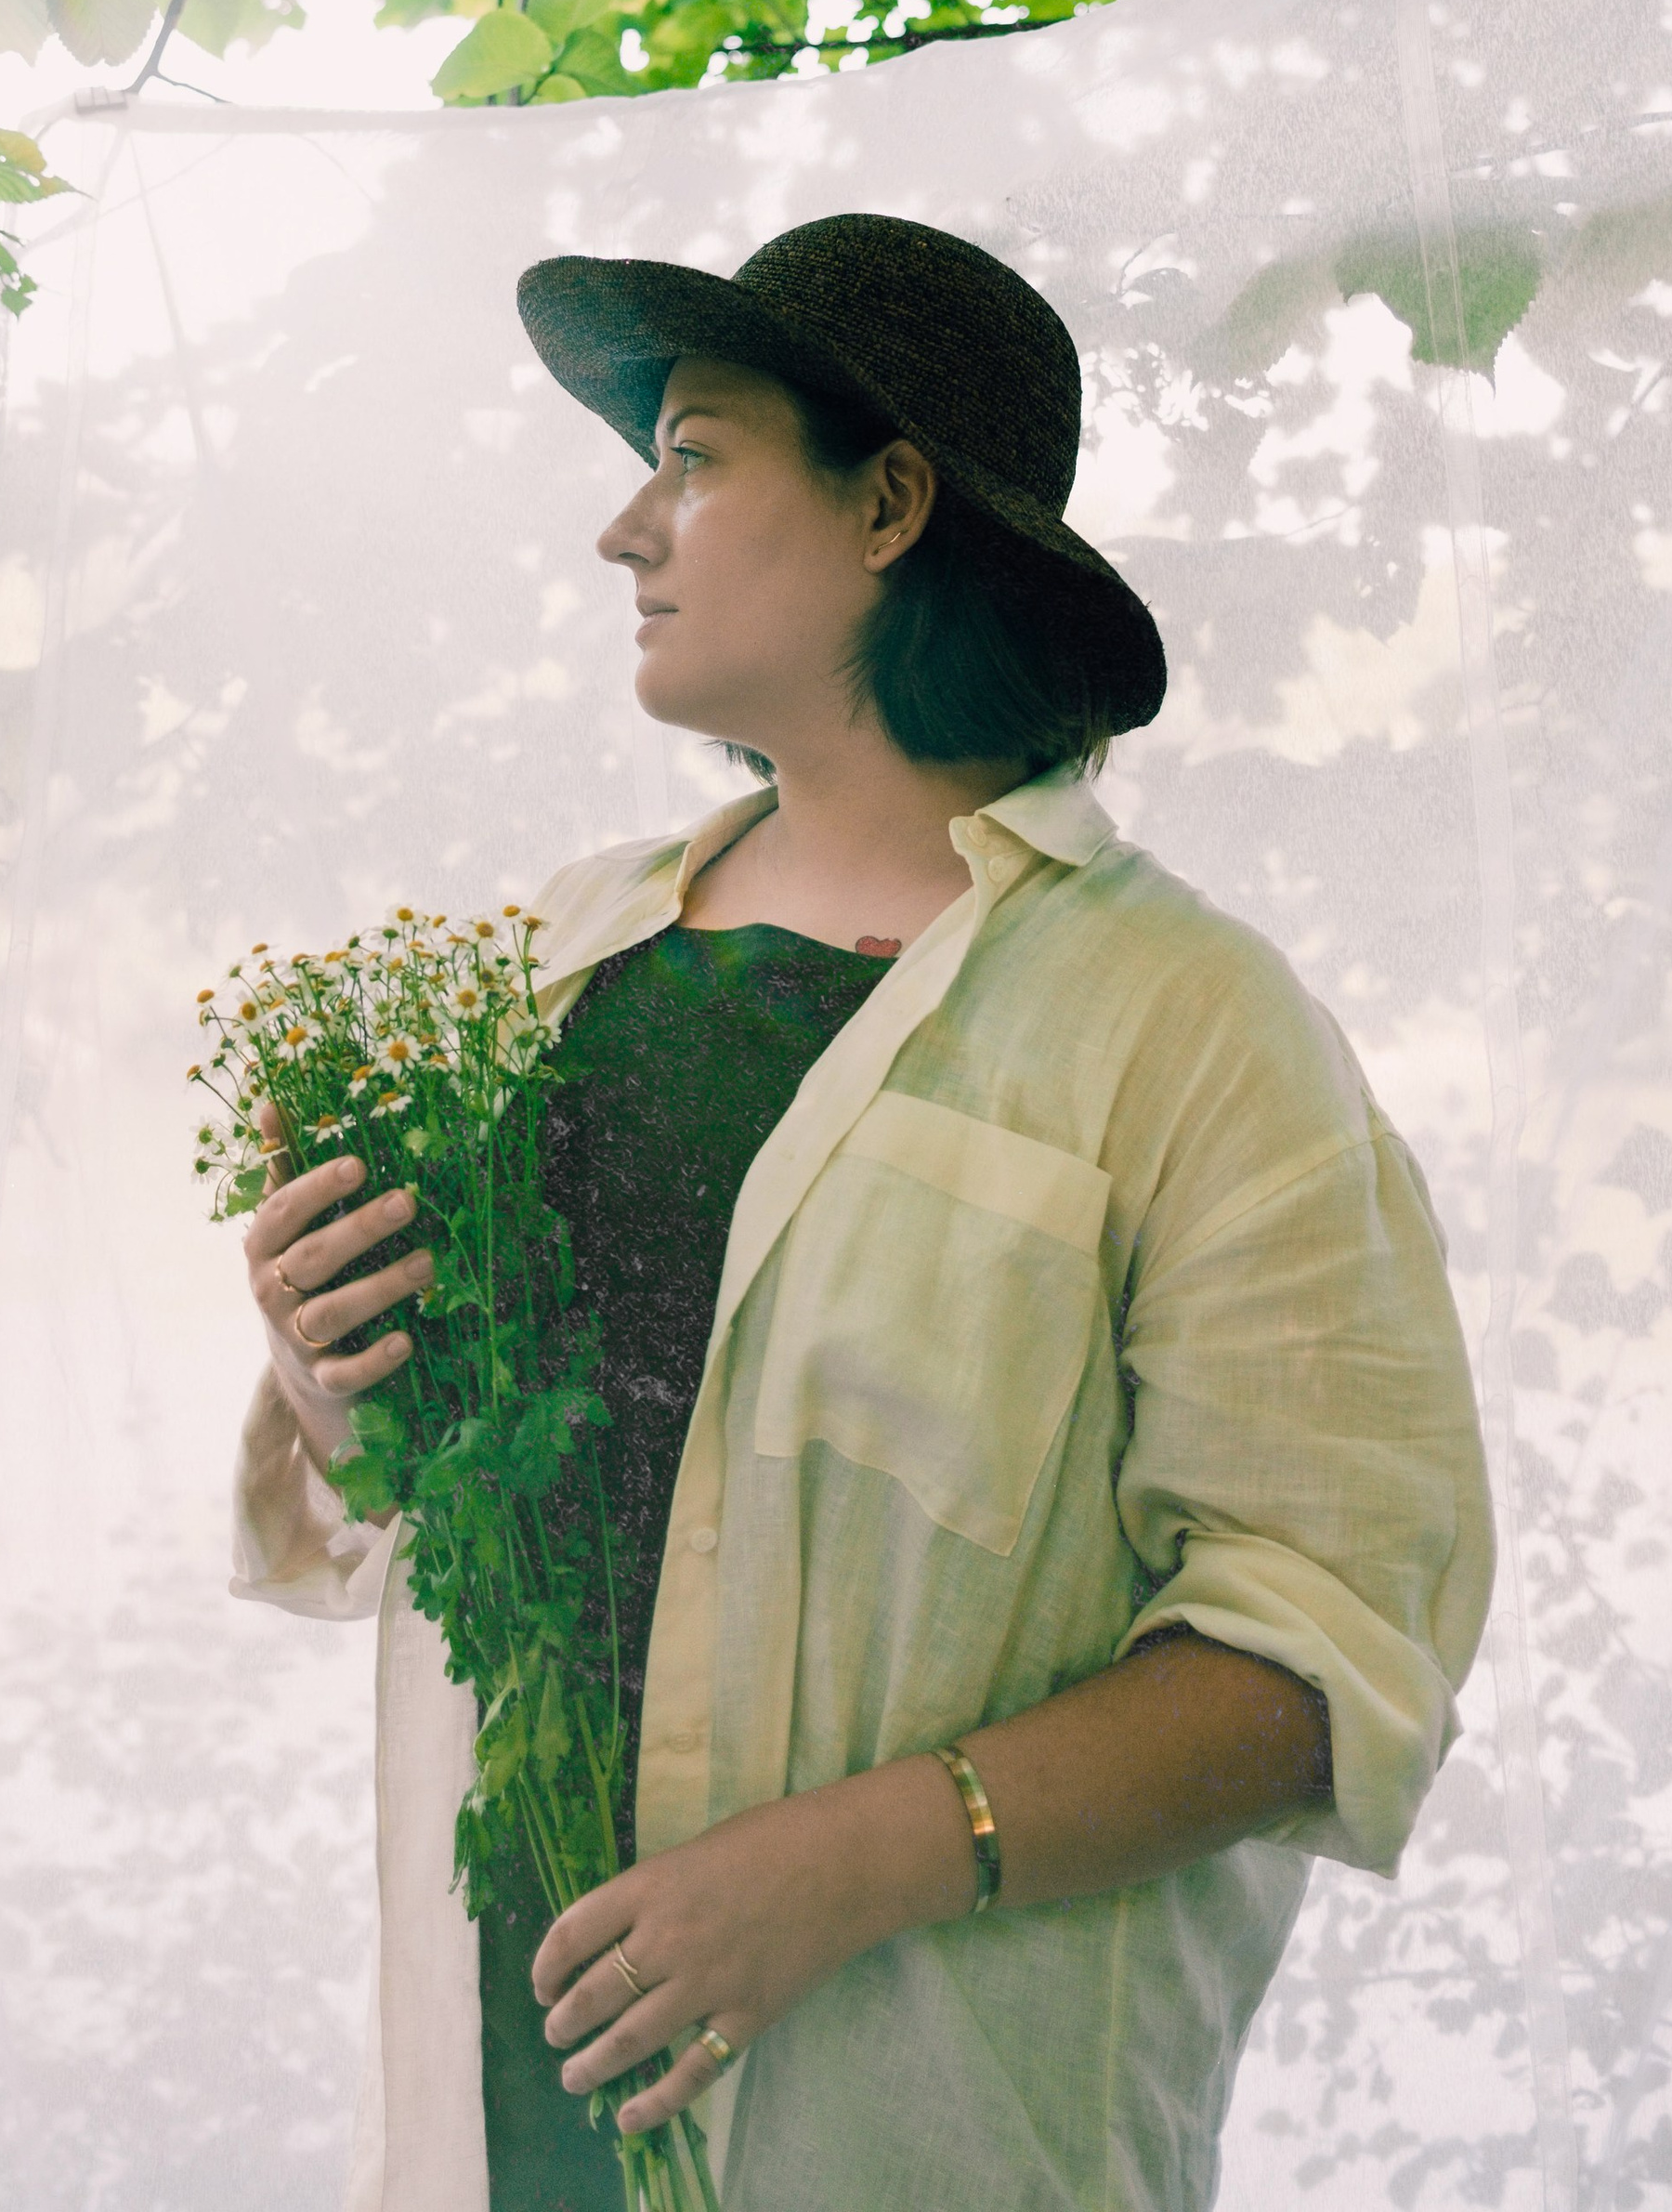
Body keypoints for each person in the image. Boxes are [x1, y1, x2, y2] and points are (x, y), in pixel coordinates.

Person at [231, 214, 1493, 2210]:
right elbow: (449, 1501)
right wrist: (329, 1370)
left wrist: (864, 1858)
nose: (622, 530)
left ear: (890, 500)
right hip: (518, 2077)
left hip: (917, 2115)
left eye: (697, 455)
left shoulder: (1188, 1027)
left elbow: (1320, 1648)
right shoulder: (556, 949)